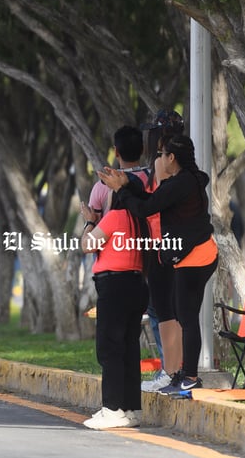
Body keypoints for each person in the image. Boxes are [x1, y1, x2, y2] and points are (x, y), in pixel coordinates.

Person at [99, 133, 219, 395]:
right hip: (189, 256)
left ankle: (189, 377)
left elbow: (145, 209)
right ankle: (182, 375)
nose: (159, 159)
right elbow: (149, 200)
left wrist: (122, 189)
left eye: (162, 154)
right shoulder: (181, 181)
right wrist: (127, 186)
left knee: (186, 317)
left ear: (171, 158)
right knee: (181, 312)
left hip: (196, 257)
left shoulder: (182, 183)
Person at [79, 183, 150, 429]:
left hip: (114, 285)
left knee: (109, 348)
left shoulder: (116, 217)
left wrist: (89, 222)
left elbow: (88, 245)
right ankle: (131, 409)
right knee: (130, 349)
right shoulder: (143, 220)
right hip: (137, 285)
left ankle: (111, 409)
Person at [137, 109, 185, 392]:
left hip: (159, 246)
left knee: (160, 311)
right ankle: (176, 370)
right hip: (178, 246)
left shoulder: (161, 165)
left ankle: (170, 371)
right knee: (174, 312)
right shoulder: (185, 164)